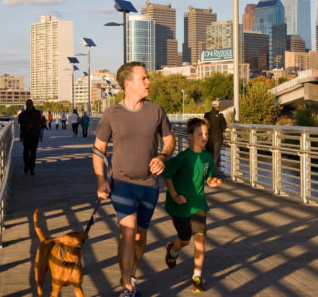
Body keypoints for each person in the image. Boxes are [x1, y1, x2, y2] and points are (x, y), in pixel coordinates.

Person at [93, 61, 175, 297]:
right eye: (144, 78)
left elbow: (170, 141)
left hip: (149, 184)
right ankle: (127, 287)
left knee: (141, 237)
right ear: (128, 83)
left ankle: (129, 273)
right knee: (128, 233)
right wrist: (101, 180)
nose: (149, 82)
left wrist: (162, 156)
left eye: (148, 78)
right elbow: (98, 149)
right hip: (122, 184)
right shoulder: (112, 114)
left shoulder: (156, 111)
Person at [162, 118, 222, 293]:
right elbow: (167, 174)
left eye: (206, 133)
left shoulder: (207, 157)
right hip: (181, 206)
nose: (204, 137)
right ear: (189, 136)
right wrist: (174, 195)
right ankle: (173, 251)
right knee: (185, 240)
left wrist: (213, 181)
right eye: (200, 134)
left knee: (200, 239)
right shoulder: (183, 157)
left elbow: (208, 178)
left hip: (199, 204)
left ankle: (196, 276)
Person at [18, 99, 41, 175]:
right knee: (33, 152)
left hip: (26, 135)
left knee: (26, 151)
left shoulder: (22, 114)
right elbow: (39, 125)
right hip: (35, 135)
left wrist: (21, 135)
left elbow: (21, 126)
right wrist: (40, 134)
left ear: (26, 105)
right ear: (32, 104)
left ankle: (27, 165)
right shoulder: (37, 113)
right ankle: (32, 169)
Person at [204, 100, 227, 176]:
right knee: (215, 157)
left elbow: (204, 125)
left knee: (207, 156)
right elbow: (223, 127)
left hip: (208, 139)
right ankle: (213, 175)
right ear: (218, 107)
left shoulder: (207, 115)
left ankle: (205, 173)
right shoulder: (220, 116)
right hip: (218, 139)